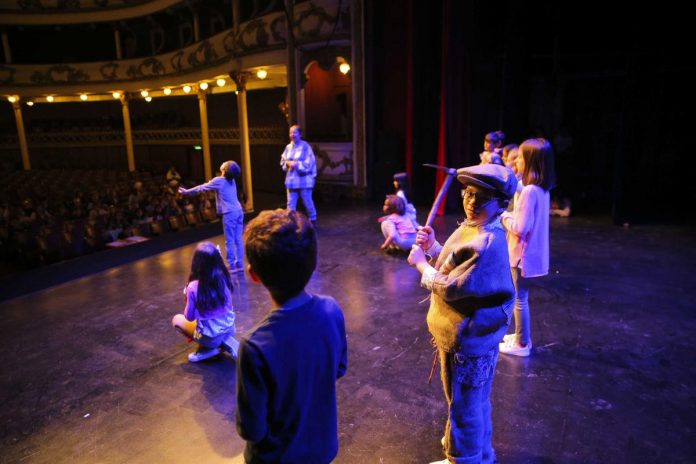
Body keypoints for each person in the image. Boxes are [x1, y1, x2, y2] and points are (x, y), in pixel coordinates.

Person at [407, 164, 516, 464]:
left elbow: (454, 286)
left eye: (482, 198)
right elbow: (458, 265)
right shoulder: (477, 227)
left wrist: (421, 265)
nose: (472, 202)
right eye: (468, 193)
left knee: (464, 404)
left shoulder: (487, 242)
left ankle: (463, 458)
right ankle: (480, 451)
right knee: (473, 399)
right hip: (474, 338)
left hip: (466, 341)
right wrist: (433, 247)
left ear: (501, 204)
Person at [237, 209, 348, 463]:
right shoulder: (331, 309)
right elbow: (339, 369)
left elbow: (252, 429)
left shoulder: (254, 346)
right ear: (314, 262)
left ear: (253, 274)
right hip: (322, 450)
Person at [499, 138, 556, 357]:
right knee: (521, 297)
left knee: (519, 299)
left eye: (520, 158)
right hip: (532, 255)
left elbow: (520, 228)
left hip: (521, 256)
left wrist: (503, 215)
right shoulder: (542, 190)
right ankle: (521, 336)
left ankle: (522, 344)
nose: (516, 162)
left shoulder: (530, 191)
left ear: (531, 162)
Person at [171, 241, 239, 363]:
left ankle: (208, 347)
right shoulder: (224, 277)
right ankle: (225, 341)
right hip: (230, 329)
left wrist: (188, 296)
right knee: (217, 326)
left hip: (208, 337)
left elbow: (189, 317)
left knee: (177, 320)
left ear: (196, 263)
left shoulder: (193, 287)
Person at [178, 161, 245, 272]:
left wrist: (187, 192)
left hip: (230, 213)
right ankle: (240, 264)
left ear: (225, 169)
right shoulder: (232, 180)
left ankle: (232, 265)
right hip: (239, 211)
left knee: (230, 240)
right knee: (238, 239)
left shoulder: (219, 180)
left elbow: (202, 187)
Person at [280, 125, 318, 226]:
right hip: (292, 180)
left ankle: (313, 219)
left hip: (304, 179)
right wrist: (287, 163)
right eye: (290, 133)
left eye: (294, 132)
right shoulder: (288, 147)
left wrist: (297, 164)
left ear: (300, 134)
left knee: (307, 201)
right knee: (290, 203)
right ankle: (290, 223)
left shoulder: (305, 146)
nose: (292, 134)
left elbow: (310, 163)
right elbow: (283, 161)